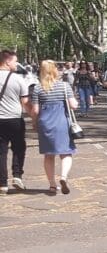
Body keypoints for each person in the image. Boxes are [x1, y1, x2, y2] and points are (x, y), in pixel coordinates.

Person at [29, 60, 79, 195]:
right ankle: (63, 177)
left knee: (48, 155)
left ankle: (52, 185)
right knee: (66, 152)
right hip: (62, 122)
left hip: (45, 123)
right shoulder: (64, 86)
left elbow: (35, 110)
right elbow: (73, 105)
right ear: (55, 70)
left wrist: (34, 122)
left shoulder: (38, 88)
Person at [0, 51, 31, 194]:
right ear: (7, 61)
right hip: (15, 119)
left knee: (1, 152)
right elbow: (25, 102)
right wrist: (35, 117)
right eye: (14, 62)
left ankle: (2, 184)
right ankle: (17, 175)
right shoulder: (18, 79)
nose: (16, 65)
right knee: (19, 148)